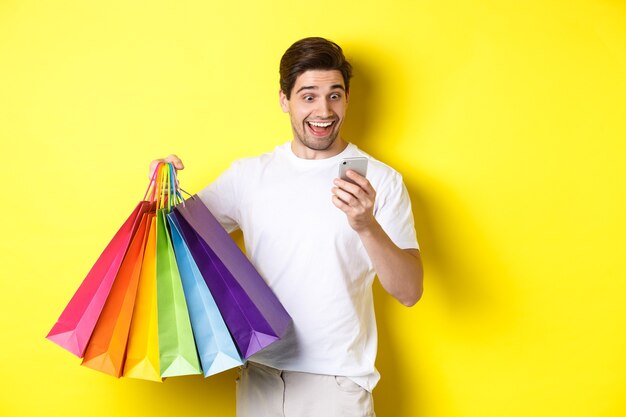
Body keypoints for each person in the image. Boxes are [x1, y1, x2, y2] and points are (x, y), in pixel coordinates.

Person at [151, 37, 423, 417]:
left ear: (347, 99)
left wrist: (365, 225)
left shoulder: (381, 180)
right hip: (259, 376)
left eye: (334, 95)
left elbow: (409, 291)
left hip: (337, 384)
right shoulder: (249, 176)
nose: (323, 110)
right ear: (285, 100)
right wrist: (163, 189)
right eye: (308, 96)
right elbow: (177, 238)